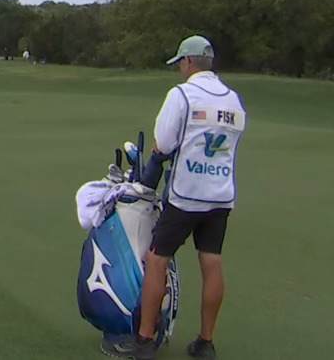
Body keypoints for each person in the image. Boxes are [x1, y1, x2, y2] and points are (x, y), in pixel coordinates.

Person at [104, 36, 247, 360]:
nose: (180, 68)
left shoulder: (182, 95)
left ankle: (144, 340)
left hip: (186, 196)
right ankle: (205, 343)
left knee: (157, 260)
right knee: (211, 262)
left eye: (180, 63)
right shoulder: (233, 100)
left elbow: (164, 143)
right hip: (221, 197)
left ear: (189, 62)